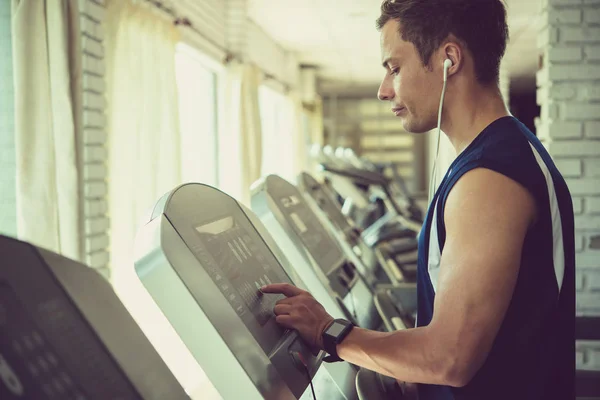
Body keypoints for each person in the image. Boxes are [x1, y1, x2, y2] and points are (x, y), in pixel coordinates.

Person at [260, 0, 576, 399]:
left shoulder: (489, 178)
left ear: (449, 59)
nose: (383, 89)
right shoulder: (499, 155)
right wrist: (405, 360)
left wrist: (330, 332)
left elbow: (450, 358)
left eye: (394, 68)